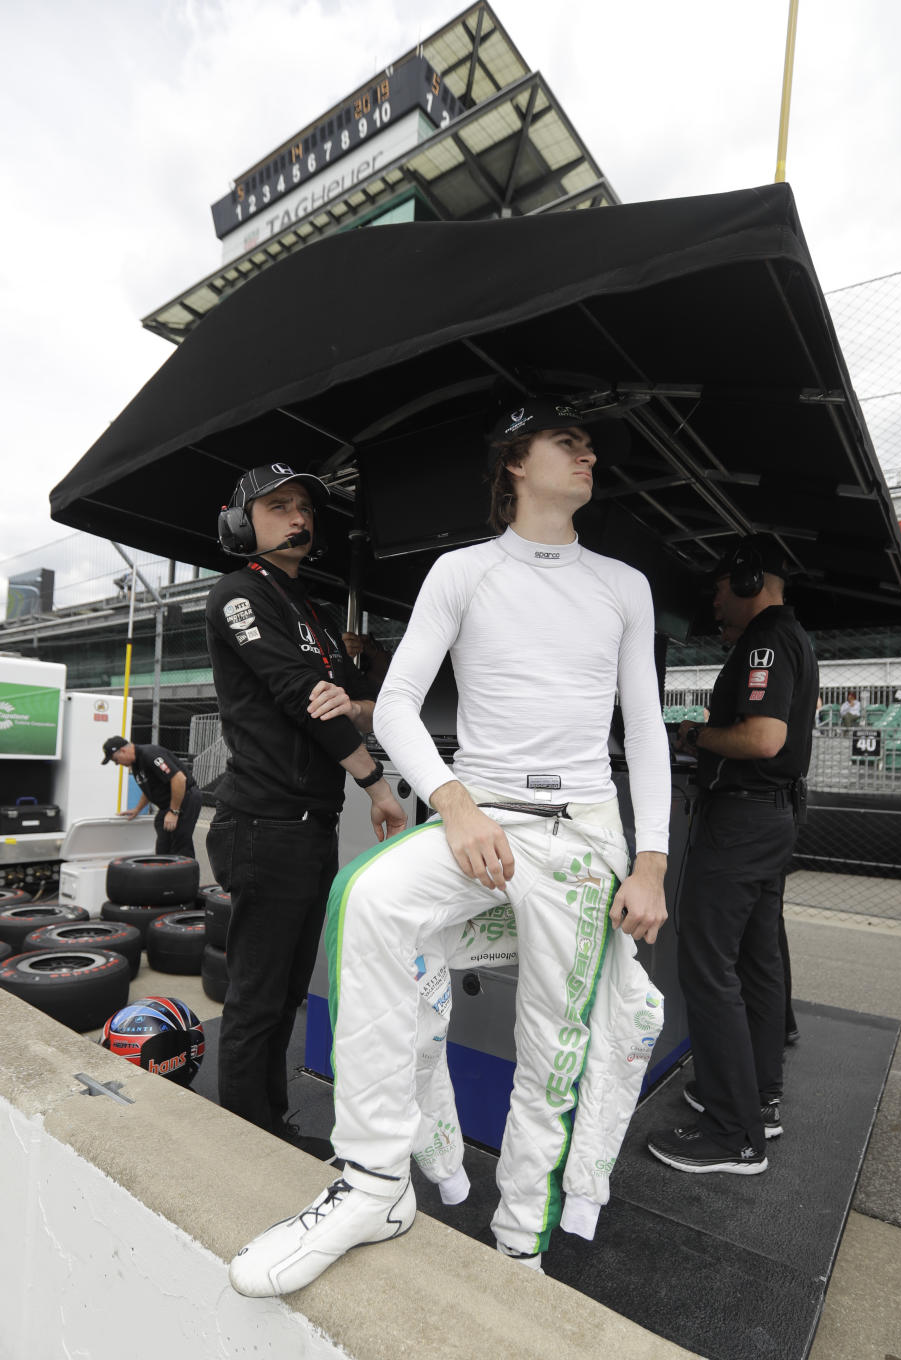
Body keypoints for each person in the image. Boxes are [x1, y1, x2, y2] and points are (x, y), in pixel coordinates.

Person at [228, 397, 672, 1297]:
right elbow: (393, 705)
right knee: (368, 902)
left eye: (590, 445)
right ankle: (376, 1181)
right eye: (567, 441)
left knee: (556, 1044)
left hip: (584, 834)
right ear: (515, 461)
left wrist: (653, 859)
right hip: (481, 812)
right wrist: (457, 804)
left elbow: (648, 729)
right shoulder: (461, 572)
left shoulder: (626, 584)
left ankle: (520, 1248)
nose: (588, 455)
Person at [204, 462, 406, 1137]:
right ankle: (246, 1143)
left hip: (307, 826)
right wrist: (375, 784)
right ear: (242, 523)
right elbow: (306, 702)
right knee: (257, 1000)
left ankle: (272, 1126)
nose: (298, 518)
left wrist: (361, 683)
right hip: (264, 825)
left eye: (304, 508)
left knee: (289, 993)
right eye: (279, 506)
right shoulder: (239, 594)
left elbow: (356, 705)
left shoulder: (314, 614)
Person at [647, 533, 818, 1175]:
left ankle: (732, 1131)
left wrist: (694, 733)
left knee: (709, 963)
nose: (715, 601)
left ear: (747, 580)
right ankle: (759, 1100)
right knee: (756, 960)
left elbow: (764, 737)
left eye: (718, 587)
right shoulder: (792, 635)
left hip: (744, 819)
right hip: (771, 819)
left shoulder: (766, 640)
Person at [101, 735, 201, 858]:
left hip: (185, 798)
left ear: (123, 750)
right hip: (169, 804)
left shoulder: (150, 755)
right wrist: (137, 809)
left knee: (180, 843)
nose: (117, 764)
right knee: (163, 844)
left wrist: (174, 812)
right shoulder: (136, 763)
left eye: (115, 760)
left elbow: (179, 779)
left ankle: (186, 875)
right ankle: (165, 874)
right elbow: (149, 789)